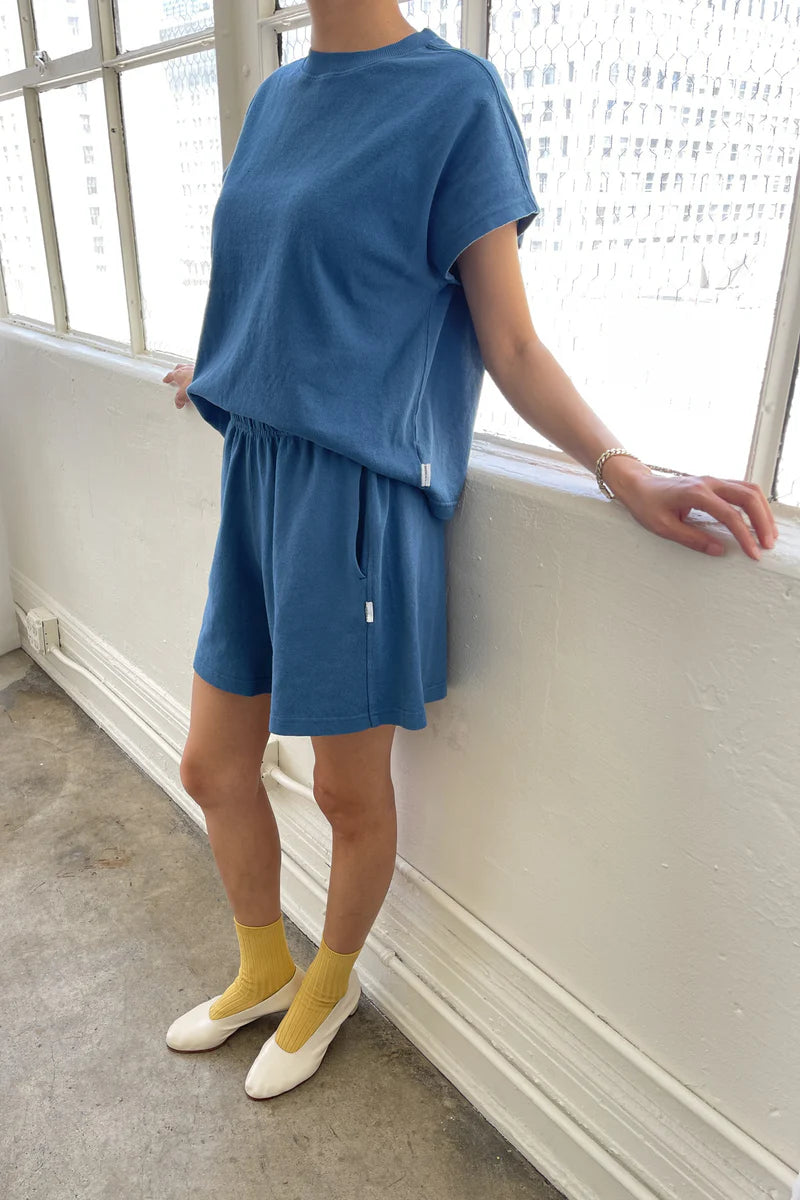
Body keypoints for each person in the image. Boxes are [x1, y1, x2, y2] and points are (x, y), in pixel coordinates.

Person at [161, 0, 778, 1101]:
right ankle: (263, 968)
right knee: (211, 766)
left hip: (356, 495)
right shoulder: (275, 98)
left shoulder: (454, 99)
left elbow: (510, 341)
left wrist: (624, 469)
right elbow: (286, 277)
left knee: (346, 794)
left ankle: (330, 984)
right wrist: (232, 366)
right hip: (255, 475)